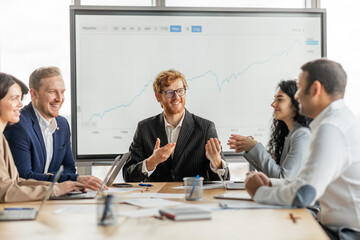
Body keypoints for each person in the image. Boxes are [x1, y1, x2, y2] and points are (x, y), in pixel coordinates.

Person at [245, 59, 360, 239]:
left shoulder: (331, 128)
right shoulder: (339, 121)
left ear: (315, 89)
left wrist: (260, 192)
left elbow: (303, 194)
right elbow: (305, 181)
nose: (297, 96)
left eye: (300, 88)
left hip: (344, 234)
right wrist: (271, 183)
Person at [4, 67, 103, 191]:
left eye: (62, 92)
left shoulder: (62, 124)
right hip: (29, 198)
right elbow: (23, 176)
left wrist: (52, 178)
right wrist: (71, 180)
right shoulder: (18, 124)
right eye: (52, 92)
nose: (59, 98)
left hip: (54, 195)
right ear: (34, 94)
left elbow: (69, 168)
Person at [123, 69, 230, 182]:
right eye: (169, 92)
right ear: (158, 96)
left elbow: (224, 180)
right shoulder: (144, 128)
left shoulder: (205, 128)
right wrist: (152, 162)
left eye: (180, 90)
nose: (176, 97)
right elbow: (128, 176)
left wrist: (216, 162)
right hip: (156, 197)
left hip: (192, 196)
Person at [228, 80, 311, 178]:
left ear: (296, 103)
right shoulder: (290, 134)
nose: (273, 104)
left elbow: (283, 178)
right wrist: (253, 148)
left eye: (280, 100)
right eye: (274, 99)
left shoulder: (301, 135)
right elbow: (273, 175)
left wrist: (255, 147)